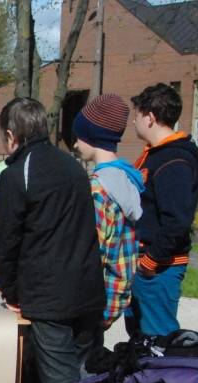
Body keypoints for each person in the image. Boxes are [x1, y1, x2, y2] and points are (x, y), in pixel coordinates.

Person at [0, 97, 104, 383]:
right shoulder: (74, 167)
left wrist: (12, 292)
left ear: (10, 135)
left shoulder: (16, 175)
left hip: (49, 298)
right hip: (88, 290)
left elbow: (5, 241)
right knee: (87, 378)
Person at [127, 83, 198, 338]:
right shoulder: (154, 155)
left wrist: (150, 263)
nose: (134, 122)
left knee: (157, 342)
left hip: (158, 268)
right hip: (145, 264)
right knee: (139, 341)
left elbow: (177, 221)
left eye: (136, 115)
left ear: (149, 117)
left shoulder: (174, 161)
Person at [71, 93, 142, 338]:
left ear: (91, 137)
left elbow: (91, 256)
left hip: (89, 308)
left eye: (78, 137)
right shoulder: (126, 179)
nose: (75, 144)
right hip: (110, 302)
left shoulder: (97, 191)